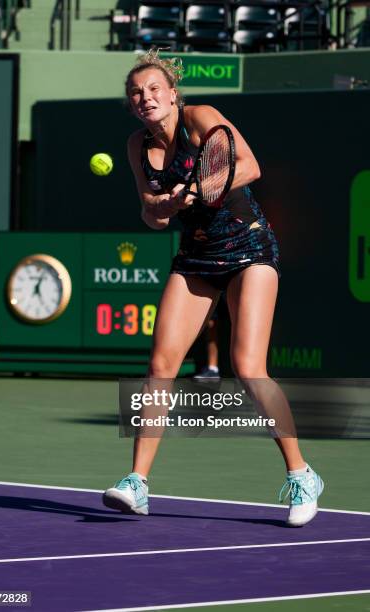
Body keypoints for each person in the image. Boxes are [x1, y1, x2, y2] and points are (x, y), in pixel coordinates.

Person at [103, 49, 324, 527]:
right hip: (197, 256)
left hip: (249, 246)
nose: (146, 98)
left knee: (247, 367)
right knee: (160, 365)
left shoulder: (202, 118)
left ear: (172, 93)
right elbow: (150, 214)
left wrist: (203, 190)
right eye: (137, 93)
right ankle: (137, 483)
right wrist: (163, 205)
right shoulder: (136, 145)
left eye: (154, 89)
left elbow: (250, 167)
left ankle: (302, 472)